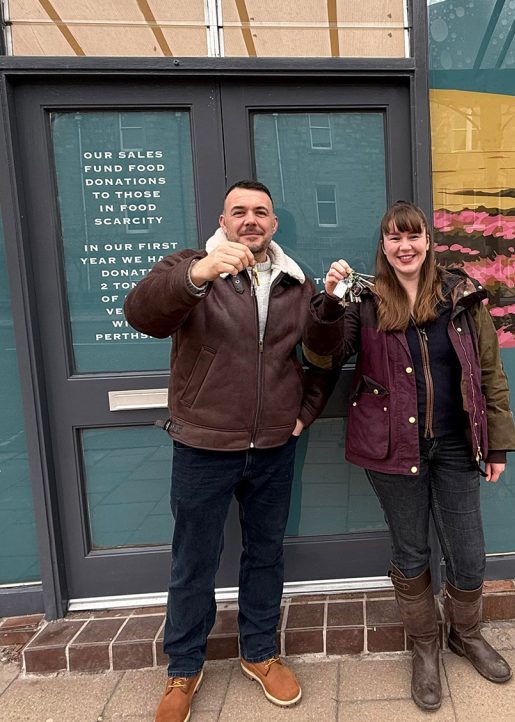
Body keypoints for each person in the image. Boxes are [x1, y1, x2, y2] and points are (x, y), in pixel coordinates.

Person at [124, 180, 334, 722]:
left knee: (265, 553)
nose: (250, 220)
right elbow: (142, 315)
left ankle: (260, 652)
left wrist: (304, 413)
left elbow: (319, 358)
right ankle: (183, 667)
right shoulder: (190, 268)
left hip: (273, 447)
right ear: (223, 220)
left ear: (274, 224)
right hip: (204, 443)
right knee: (194, 559)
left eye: (260, 212)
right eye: (239, 211)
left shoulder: (296, 283)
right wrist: (197, 275)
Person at [304, 200, 515, 711]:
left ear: (427, 241)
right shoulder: (364, 300)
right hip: (391, 446)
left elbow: (489, 372)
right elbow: (322, 355)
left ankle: (465, 634)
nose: (405, 246)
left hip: (455, 444)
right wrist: (329, 304)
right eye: (395, 237)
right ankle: (424, 646)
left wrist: (497, 442)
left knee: (468, 552)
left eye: (413, 236)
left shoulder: (460, 295)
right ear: (383, 245)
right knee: (411, 551)